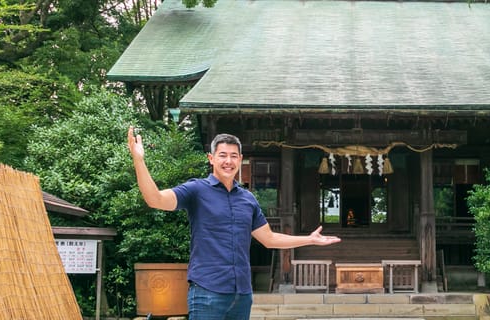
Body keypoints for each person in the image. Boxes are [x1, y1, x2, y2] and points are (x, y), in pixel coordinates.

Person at [127, 126, 340, 320]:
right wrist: (139, 160)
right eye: (222, 155)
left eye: (233, 156)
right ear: (211, 158)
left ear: (240, 159)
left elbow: (269, 238)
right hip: (207, 291)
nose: (228, 161)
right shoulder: (196, 190)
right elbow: (155, 199)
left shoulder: (247, 199)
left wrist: (309, 239)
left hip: (242, 295)